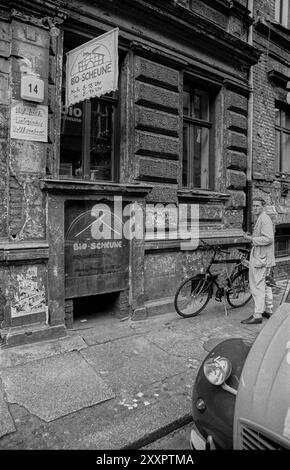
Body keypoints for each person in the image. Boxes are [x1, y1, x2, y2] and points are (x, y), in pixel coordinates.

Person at [241, 197, 275, 325]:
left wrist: (251, 238)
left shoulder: (264, 218)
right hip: (262, 257)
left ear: (263, 206)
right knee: (265, 285)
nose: (255, 208)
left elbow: (268, 239)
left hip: (261, 259)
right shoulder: (261, 218)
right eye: (253, 206)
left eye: (257, 206)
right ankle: (268, 310)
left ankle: (257, 315)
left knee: (257, 286)